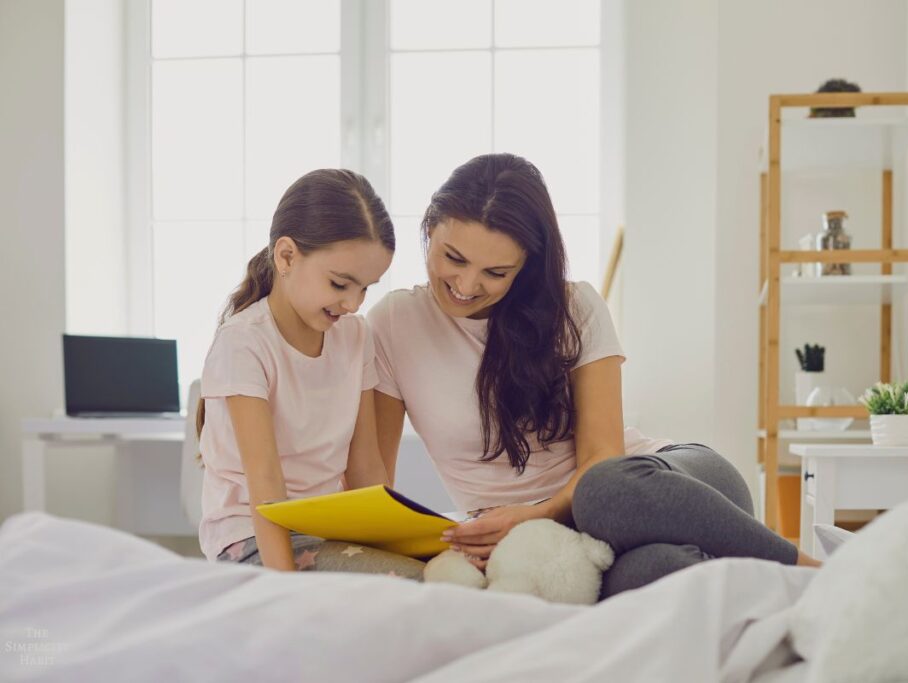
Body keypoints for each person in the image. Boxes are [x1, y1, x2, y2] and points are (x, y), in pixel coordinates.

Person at [368, 154, 817, 599]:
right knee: (659, 572)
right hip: (582, 544)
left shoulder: (574, 308)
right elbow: (377, 484)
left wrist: (536, 514)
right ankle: (743, 582)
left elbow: (603, 458)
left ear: (526, 264)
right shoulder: (393, 323)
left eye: (495, 272)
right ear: (429, 228)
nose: (466, 284)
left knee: (602, 491)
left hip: (662, 487)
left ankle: (811, 571)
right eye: (454, 258)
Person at [196, 168, 423, 578]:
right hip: (252, 537)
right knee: (410, 585)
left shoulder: (355, 337)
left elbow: (366, 468)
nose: (353, 303)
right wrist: (284, 590)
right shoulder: (244, 342)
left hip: (326, 532)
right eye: (340, 284)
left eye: (366, 288)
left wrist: (408, 545)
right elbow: (266, 483)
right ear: (286, 256)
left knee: (449, 574)